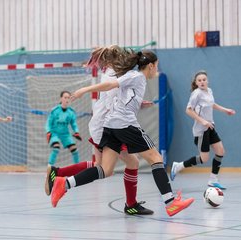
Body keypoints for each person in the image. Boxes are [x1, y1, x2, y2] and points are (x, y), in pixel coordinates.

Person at [47, 47, 194, 217]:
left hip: (111, 126)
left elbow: (121, 94)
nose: (158, 69)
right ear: (152, 66)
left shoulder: (133, 77)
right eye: (157, 65)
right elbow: (110, 85)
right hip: (124, 124)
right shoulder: (136, 76)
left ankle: (64, 184)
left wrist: (138, 103)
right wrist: (85, 90)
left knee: (105, 169)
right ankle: (170, 203)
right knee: (156, 158)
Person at [170, 70, 236, 190]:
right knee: (204, 159)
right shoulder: (196, 94)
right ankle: (178, 166)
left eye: (204, 79)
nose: (202, 82)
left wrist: (225, 110)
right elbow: (188, 110)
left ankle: (213, 180)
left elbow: (212, 104)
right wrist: (203, 121)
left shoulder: (209, 91)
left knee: (220, 151)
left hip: (210, 127)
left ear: (207, 81)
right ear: (196, 82)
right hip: (201, 131)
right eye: (199, 80)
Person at [46, 91, 82, 167]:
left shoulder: (71, 112)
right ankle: (49, 168)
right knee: (56, 148)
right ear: (61, 99)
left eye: (68, 98)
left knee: (74, 150)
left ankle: (77, 168)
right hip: (54, 133)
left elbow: (74, 124)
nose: (67, 99)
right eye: (65, 97)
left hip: (65, 134)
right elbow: (48, 123)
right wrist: (48, 132)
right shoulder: (55, 111)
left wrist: (76, 132)